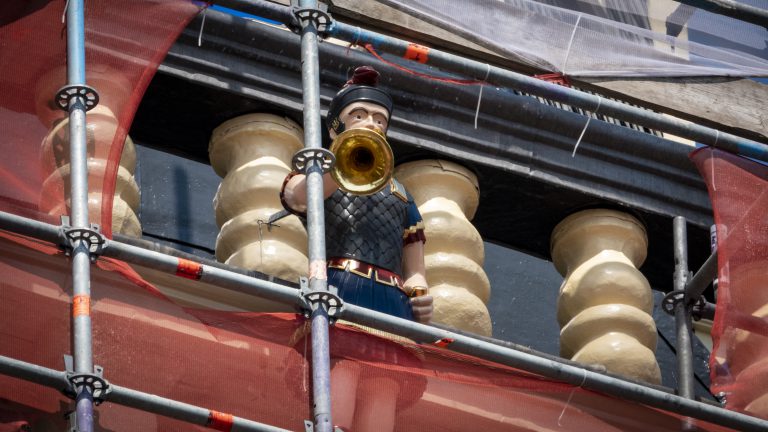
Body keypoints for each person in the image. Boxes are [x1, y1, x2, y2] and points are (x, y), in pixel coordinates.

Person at [280, 65, 433, 323]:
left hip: (393, 297)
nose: (372, 124)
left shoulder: (402, 195)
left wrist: (419, 294)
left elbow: (415, 270)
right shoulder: (317, 177)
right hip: (338, 286)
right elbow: (300, 197)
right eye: (359, 116)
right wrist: (338, 165)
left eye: (380, 120)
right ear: (335, 128)